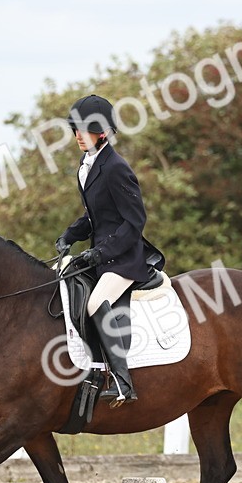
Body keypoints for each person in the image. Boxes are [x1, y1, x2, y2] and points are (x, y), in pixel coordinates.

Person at [55, 94, 162, 407]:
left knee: (95, 302)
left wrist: (100, 253)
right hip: (101, 255)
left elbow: (134, 222)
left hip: (125, 258)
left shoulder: (115, 168)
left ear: (101, 132)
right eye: (75, 128)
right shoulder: (86, 165)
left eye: (83, 129)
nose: (77, 134)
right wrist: (70, 235)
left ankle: (121, 382)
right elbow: (96, 216)